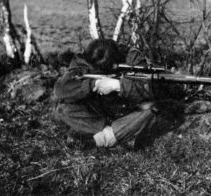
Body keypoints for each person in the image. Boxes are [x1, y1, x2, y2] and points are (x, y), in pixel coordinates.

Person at [53, 39, 184, 149]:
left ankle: (99, 140)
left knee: (154, 109)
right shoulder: (86, 59)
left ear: (115, 64)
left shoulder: (133, 58)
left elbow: (151, 88)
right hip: (102, 113)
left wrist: (117, 85)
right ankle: (120, 133)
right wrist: (94, 84)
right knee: (63, 109)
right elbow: (61, 89)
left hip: (129, 110)